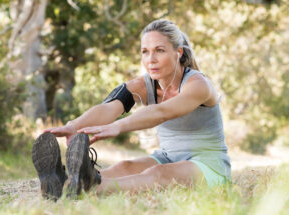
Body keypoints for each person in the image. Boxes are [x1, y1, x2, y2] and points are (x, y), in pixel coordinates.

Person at [32, 19, 231, 200]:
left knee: (157, 175)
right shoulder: (142, 85)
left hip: (208, 165)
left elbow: (161, 112)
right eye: (145, 51)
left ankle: (91, 187)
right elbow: (109, 108)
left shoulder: (198, 84)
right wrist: (73, 126)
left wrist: (119, 126)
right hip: (167, 157)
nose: (150, 59)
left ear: (178, 53)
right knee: (125, 167)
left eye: (159, 50)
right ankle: (62, 184)